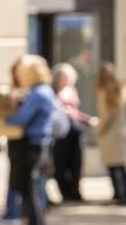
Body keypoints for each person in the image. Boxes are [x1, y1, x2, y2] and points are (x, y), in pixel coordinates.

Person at [3, 56, 58, 225]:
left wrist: (3, 116)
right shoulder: (42, 91)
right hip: (37, 146)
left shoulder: (38, 93)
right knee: (33, 193)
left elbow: (20, 119)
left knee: (30, 194)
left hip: (32, 147)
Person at [51, 63, 96, 204]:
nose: (67, 80)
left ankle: (75, 192)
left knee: (76, 163)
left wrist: (88, 120)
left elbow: (75, 112)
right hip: (60, 132)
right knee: (60, 164)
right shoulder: (52, 92)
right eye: (65, 77)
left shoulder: (72, 91)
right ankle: (65, 193)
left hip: (75, 129)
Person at [95, 63, 126, 203]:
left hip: (109, 134)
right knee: (120, 166)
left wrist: (99, 129)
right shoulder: (121, 89)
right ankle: (122, 193)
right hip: (121, 132)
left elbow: (107, 115)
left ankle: (119, 194)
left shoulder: (104, 92)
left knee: (113, 167)